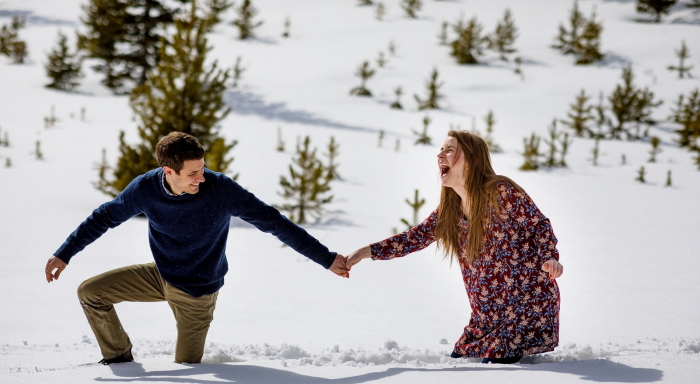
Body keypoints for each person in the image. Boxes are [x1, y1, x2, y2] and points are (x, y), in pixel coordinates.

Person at [45, 132, 348, 365]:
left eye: (202, 168)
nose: (201, 177)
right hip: (161, 275)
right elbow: (105, 217)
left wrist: (326, 258)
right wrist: (65, 252)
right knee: (91, 293)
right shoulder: (145, 189)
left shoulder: (221, 190)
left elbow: (275, 222)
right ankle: (118, 357)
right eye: (192, 173)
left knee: (186, 369)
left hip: (198, 291)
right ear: (168, 171)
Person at [346, 130, 563, 364]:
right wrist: (363, 253)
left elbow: (539, 224)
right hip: (485, 320)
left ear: (474, 160)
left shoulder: (499, 191)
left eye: (450, 150)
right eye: (441, 149)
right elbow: (412, 238)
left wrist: (550, 257)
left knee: (491, 372)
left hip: (525, 311)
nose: (440, 155)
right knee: (458, 360)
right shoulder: (450, 209)